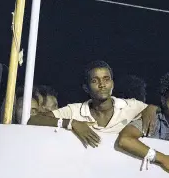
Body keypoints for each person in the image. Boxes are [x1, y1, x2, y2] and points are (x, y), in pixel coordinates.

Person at [28, 61, 156, 148]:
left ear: (112, 83)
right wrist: (72, 123)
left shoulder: (131, 106)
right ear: (86, 88)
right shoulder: (75, 111)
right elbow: (34, 120)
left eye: (106, 79)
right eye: (95, 81)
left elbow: (162, 110)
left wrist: (152, 108)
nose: (102, 85)